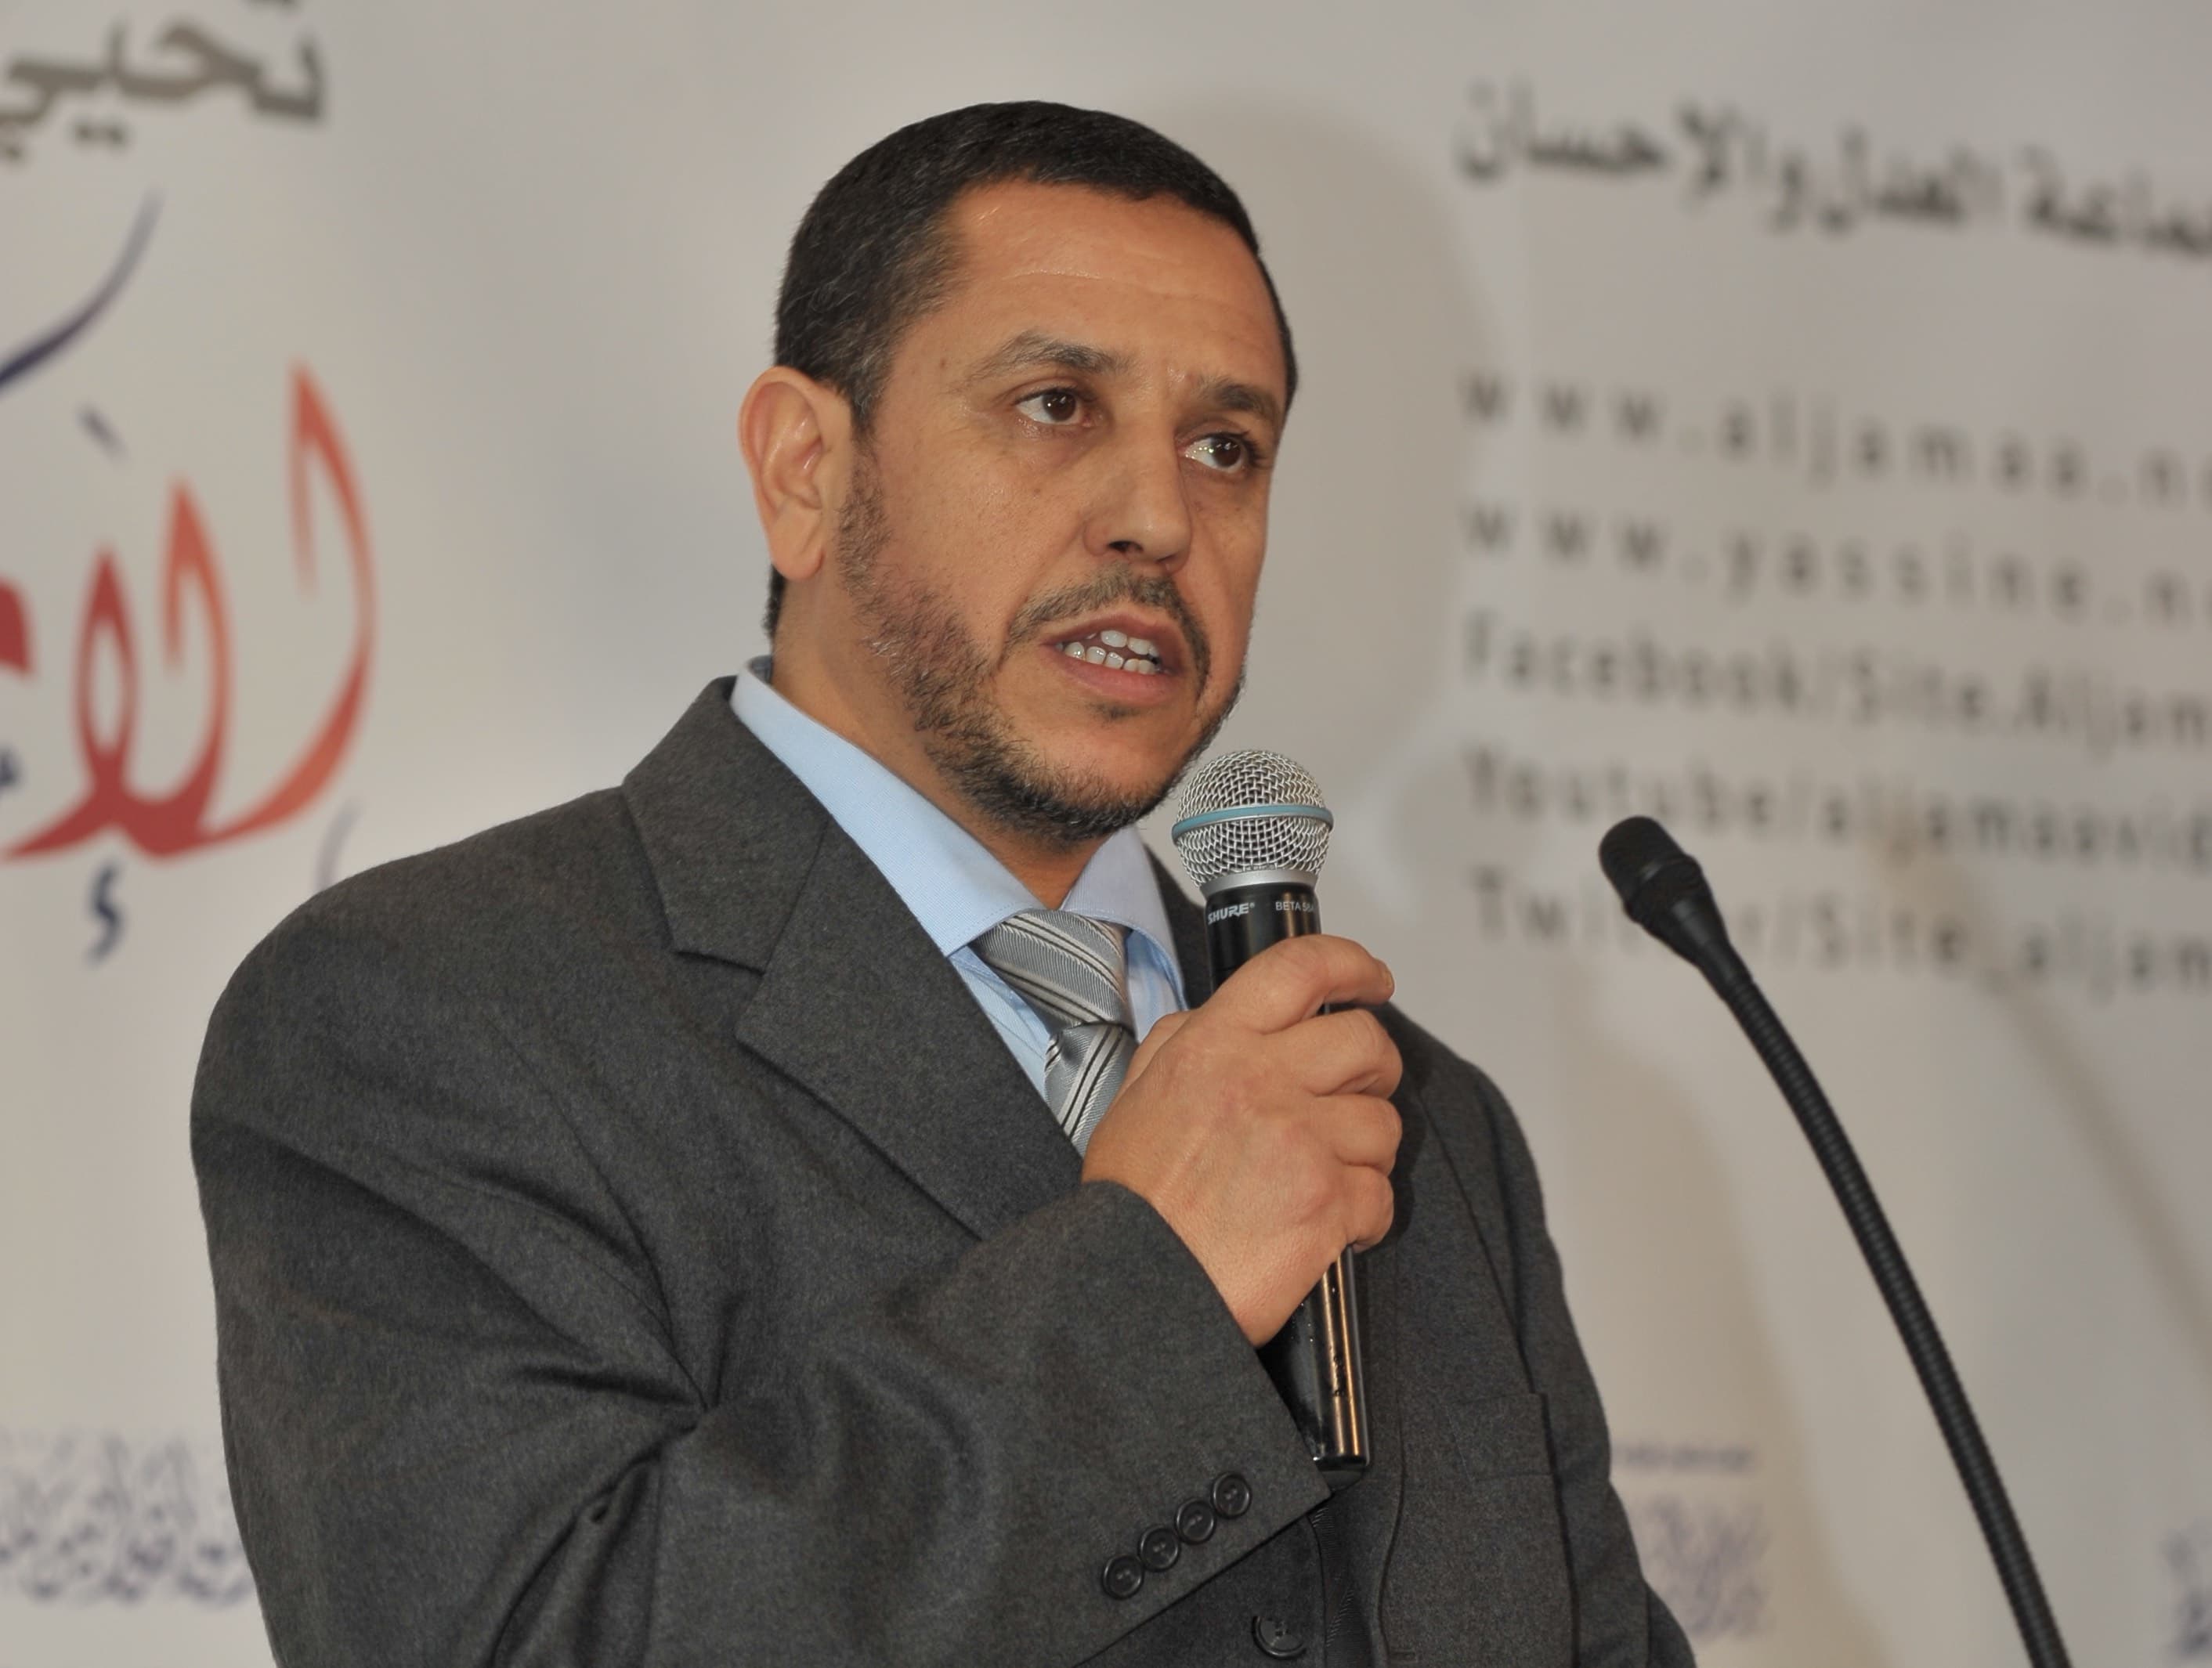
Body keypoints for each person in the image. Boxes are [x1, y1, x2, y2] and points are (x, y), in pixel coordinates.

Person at [192, 101, 1693, 1666]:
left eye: (1224, 449)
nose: (1159, 518)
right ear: (803, 470)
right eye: (1055, 405)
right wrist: (1151, 1289)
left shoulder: (1413, 1118)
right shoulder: (433, 1014)